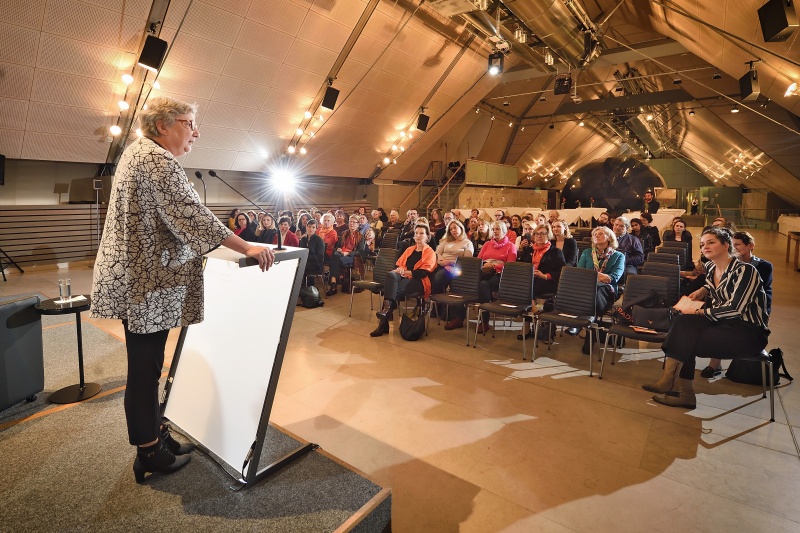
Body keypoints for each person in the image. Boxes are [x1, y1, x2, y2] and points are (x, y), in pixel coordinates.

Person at [90, 96, 275, 483]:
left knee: (150, 364)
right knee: (144, 369)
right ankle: (149, 454)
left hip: (141, 279)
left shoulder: (136, 152)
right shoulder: (157, 159)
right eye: (190, 123)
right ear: (164, 126)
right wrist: (247, 246)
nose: (196, 131)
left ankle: (156, 436)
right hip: (146, 284)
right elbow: (193, 216)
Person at [642, 227, 770, 408]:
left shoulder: (745, 271)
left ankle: (677, 387)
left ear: (726, 245)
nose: (705, 247)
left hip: (748, 332)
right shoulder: (711, 267)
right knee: (683, 325)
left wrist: (700, 312)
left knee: (686, 337)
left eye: (711, 242)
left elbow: (735, 309)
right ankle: (674, 384)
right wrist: (700, 292)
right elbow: (711, 287)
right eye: (702, 244)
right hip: (724, 324)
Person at [702, 230, 773, 377]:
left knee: (700, 332)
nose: (735, 248)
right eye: (733, 245)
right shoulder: (714, 267)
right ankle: (713, 364)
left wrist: (702, 312)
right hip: (727, 311)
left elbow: (742, 302)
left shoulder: (756, 267)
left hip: (748, 313)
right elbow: (717, 287)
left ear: (750, 246)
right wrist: (703, 290)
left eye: (738, 245)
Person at [371, 224, 437, 337]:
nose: (418, 235)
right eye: (416, 233)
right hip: (403, 276)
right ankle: (386, 311)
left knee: (392, 289)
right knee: (391, 275)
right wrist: (400, 269)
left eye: (421, 233)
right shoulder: (409, 249)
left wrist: (405, 272)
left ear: (427, 237)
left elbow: (423, 272)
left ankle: (384, 322)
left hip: (419, 281)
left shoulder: (430, 252)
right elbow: (400, 264)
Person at [517, 223, 566, 339]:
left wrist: (545, 275)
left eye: (542, 233)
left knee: (526, 289)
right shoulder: (529, 249)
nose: (539, 236)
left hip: (547, 282)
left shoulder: (555, 252)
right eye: (537, 234)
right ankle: (535, 313)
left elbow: (562, 271)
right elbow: (520, 265)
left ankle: (527, 323)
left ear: (548, 235)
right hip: (529, 281)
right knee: (524, 288)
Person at [577, 226, 625, 334]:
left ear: (609, 238)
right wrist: (598, 275)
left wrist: (591, 275)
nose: (597, 236)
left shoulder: (618, 256)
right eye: (595, 234)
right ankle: (589, 322)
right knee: (592, 289)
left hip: (607, 290)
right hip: (587, 287)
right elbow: (579, 272)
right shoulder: (587, 252)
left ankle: (581, 323)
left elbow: (613, 278)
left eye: (601, 234)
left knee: (597, 289)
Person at [432, 219, 474, 297]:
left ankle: (438, 305)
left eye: (455, 228)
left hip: (457, 268)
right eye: (451, 229)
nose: (453, 230)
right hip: (442, 265)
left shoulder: (467, 243)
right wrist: (444, 263)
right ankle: (434, 304)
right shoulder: (446, 241)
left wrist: (450, 262)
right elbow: (437, 253)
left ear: (461, 228)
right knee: (430, 275)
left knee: (438, 277)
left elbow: (467, 261)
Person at [327, 215, 365, 296]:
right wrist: (338, 249)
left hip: (352, 257)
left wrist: (348, 253)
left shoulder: (360, 236)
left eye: (354, 222)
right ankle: (334, 282)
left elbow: (360, 252)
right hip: (341, 254)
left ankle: (333, 285)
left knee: (335, 260)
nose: (351, 224)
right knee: (335, 255)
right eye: (350, 222)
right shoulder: (344, 233)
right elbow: (337, 246)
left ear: (358, 224)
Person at [300, 219, 325, 286]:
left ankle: (306, 288)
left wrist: (306, 256)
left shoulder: (319, 240)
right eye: (309, 226)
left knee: (301, 267)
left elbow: (319, 257)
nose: (311, 229)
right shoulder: (303, 239)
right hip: (304, 261)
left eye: (313, 227)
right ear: (306, 227)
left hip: (316, 264)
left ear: (316, 229)